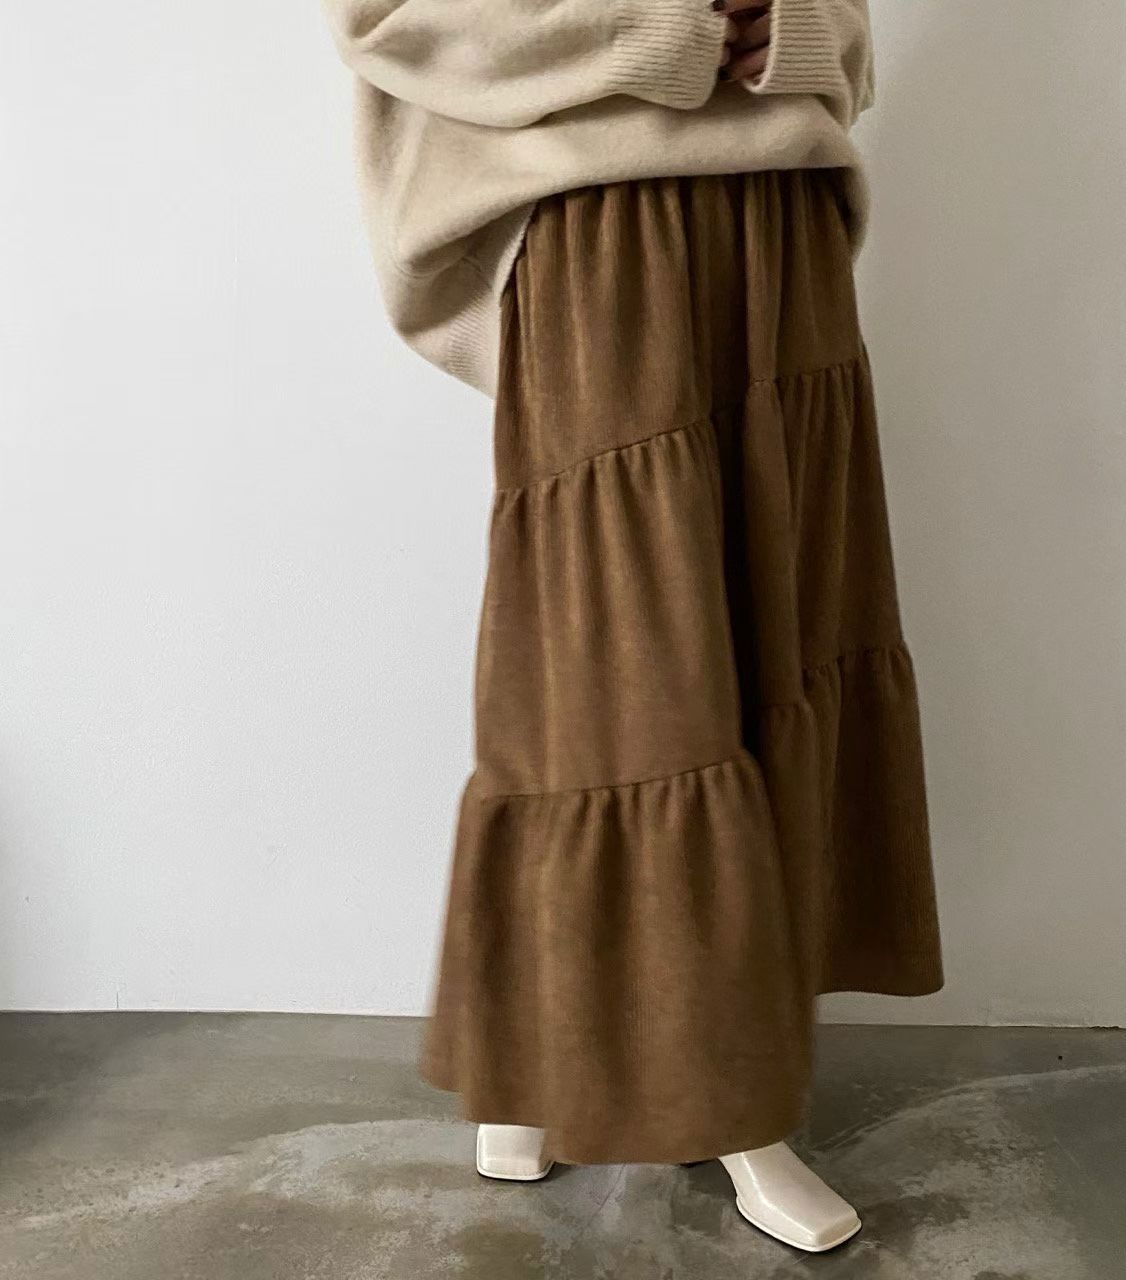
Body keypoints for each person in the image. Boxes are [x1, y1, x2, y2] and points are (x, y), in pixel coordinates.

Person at [323, 0, 943, 1252]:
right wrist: (651, 34)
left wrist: (794, 31)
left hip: (780, 225)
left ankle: (554, 1059)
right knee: (618, 663)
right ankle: (700, 1091)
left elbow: (845, 28)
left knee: (780, 635)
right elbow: (386, 17)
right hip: (602, 231)